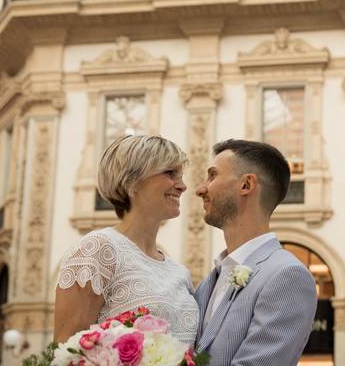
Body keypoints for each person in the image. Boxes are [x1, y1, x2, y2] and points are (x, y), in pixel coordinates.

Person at [54, 134, 198, 345]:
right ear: (132, 181)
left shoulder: (180, 272)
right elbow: (66, 350)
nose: (182, 186)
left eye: (181, 175)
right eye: (170, 173)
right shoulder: (97, 249)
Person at [193, 139, 317, 365]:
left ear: (246, 185)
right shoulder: (209, 282)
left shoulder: (286, 276)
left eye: (212, 175)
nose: (200, 189)